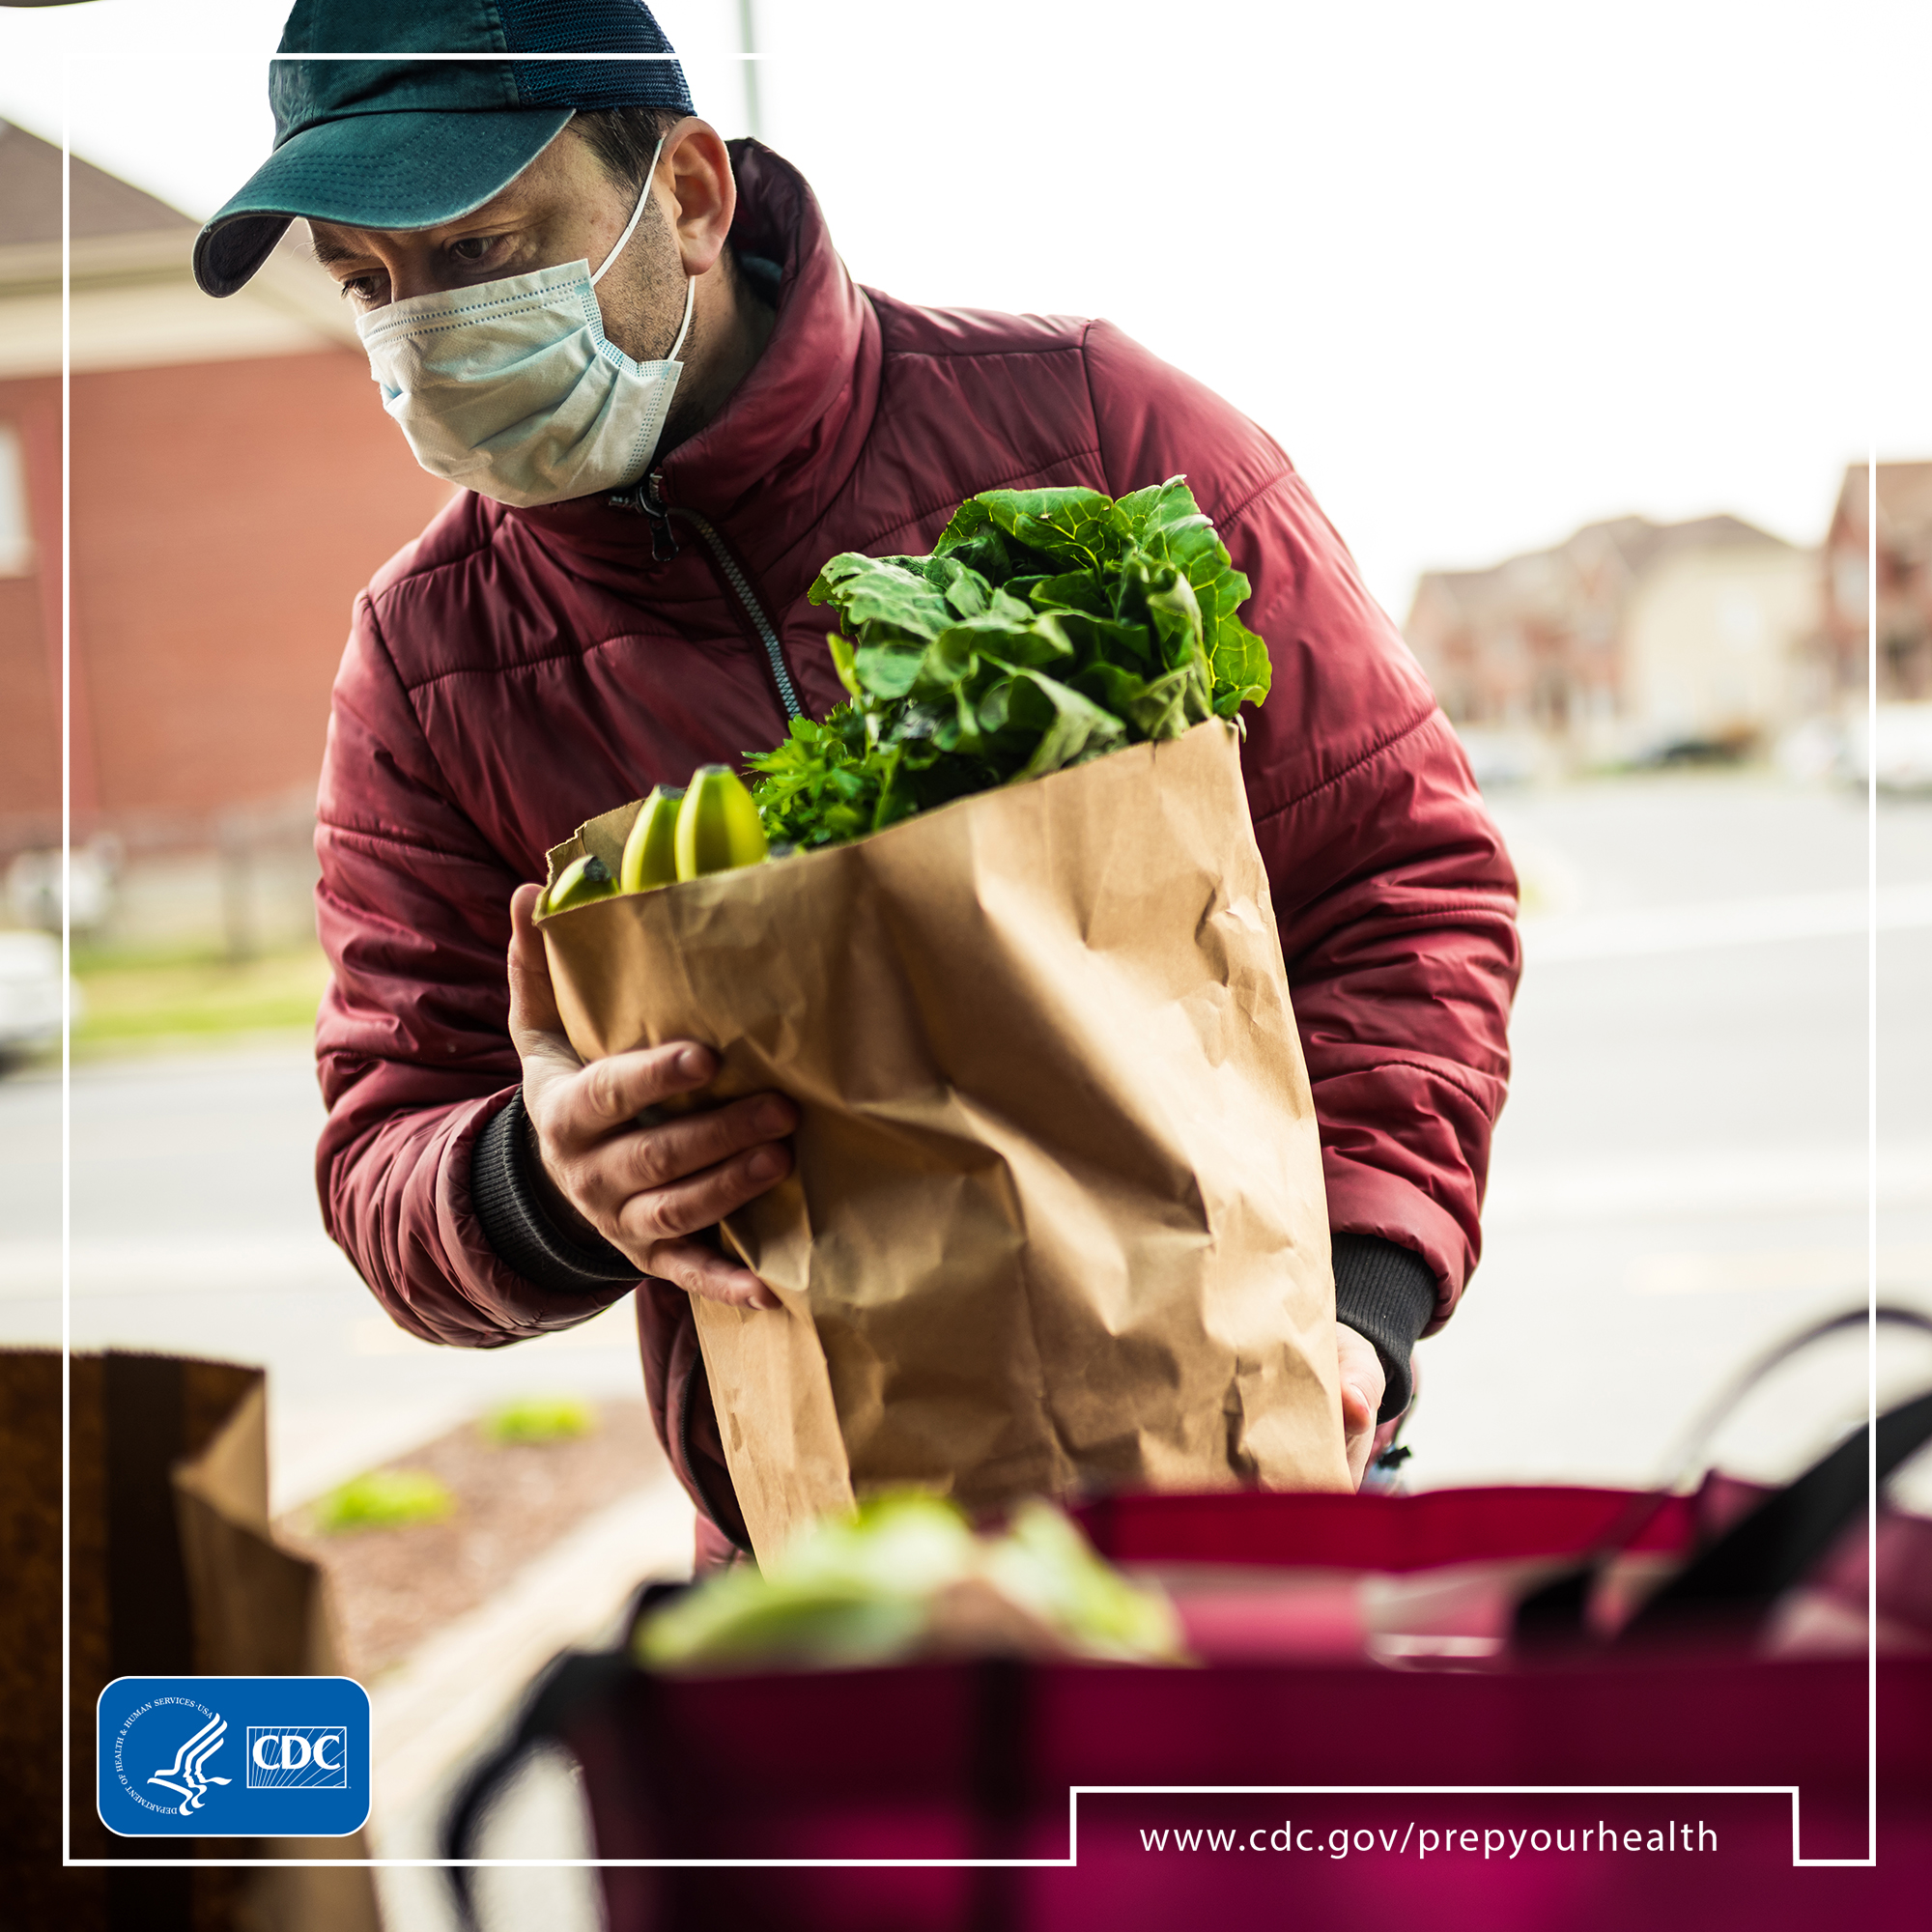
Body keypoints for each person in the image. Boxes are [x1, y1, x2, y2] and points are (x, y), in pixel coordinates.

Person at [196, 0, 1520, 1564]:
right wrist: (541, 1182)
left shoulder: (1092, 428)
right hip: (812, 1553)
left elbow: (1399, 885)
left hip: (1248, 1450)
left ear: (687, 196)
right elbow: (386, 1147)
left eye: (481, 251)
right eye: (369, 280)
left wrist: (1363, 1302)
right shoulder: (427, 662)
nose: (420, 331)